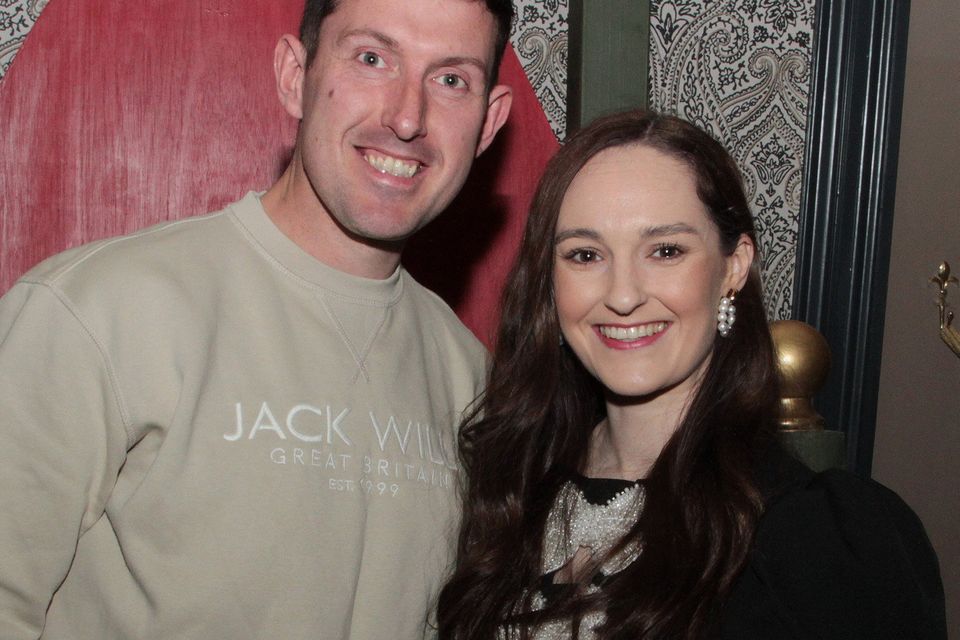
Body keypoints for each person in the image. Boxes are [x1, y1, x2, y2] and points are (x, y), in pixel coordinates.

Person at [0, 0, 513, 638]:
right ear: (295, 77)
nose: (408, 117)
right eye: (372, 58)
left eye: (451, 79)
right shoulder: (94, 312)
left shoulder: (473, 380)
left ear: (488, 123)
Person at [437, 110, 946, 639]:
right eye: (585, 255)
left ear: (733, 266)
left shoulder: (817, 533)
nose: (623, 295)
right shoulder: (510, 487)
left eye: (666, 251)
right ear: (549, 280)